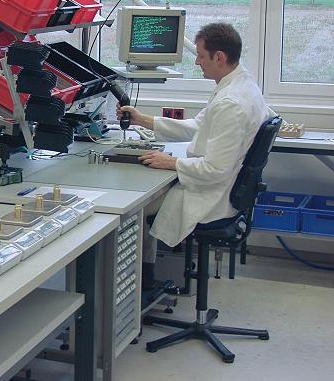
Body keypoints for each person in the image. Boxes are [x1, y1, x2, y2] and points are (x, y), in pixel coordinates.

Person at [117, 22, 276, 289]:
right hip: (223, 189)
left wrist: (172, 162)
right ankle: (145, 281)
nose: (197, 62)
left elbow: (214, 169)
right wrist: (143, 120)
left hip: (211, 195)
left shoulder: (231, 103)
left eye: (201, 55)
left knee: (132, 208)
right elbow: (197, 127)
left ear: (219, 57)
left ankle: (136, 286)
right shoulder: (240, 86)